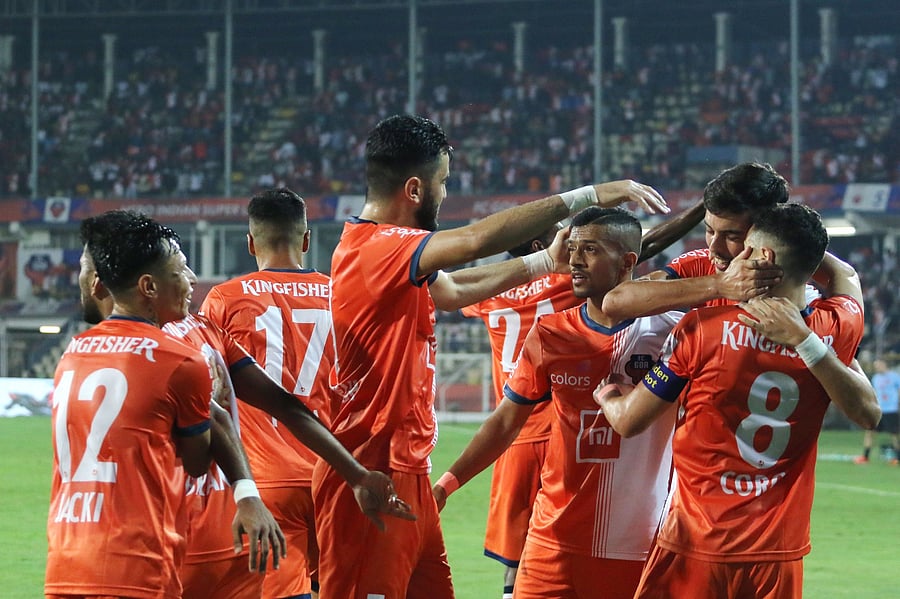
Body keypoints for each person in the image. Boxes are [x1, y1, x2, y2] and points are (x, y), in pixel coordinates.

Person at [316, 113, 670, 599]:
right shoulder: (375, 246)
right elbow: (478, 241)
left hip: (409, 468)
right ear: (416, 189)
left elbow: (455, 289)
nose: (445, 195)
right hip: (372, 466)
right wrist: (588, 195)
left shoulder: (394, 259)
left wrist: (545, 262)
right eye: (442, 183)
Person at [78, 209, 414, 599]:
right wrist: (354, 474)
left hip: (185, 539)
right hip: (248, 523)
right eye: (182, 270)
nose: (191, 281)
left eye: (87, 269)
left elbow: (203, 445)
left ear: (105, 282)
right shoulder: (203, 328)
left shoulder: (144, 352)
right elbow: (284, 404)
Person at [597, 203, 880, 599]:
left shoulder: (702, 330)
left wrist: (608, 393)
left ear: (762, 257)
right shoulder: (837, 326)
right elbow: (845, 275)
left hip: (695, 542)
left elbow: (629, 420)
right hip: (776, 554)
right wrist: (796, 241)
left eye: (745, 244)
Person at [435, 207, 683, 599]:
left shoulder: (674, 334)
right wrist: (446, 486)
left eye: (590, 249)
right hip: (552, 541)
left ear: (628, 262)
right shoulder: (551, 333)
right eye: (573, 248)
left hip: (641, 544)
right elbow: (504, 423)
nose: (575, 259)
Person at [46, 214, 217, 598]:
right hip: (137, 564)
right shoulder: (180, 360)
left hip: (67, 559)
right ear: (149, 287)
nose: (190, 282)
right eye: (179, 272)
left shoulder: (72, 353)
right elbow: (197, 462)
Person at [198, 188, 334, 599]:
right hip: (334, 472)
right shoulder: (341, 296)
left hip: (267, 480)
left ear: (250, 242)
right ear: (307, 240)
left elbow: (211, 387)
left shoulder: (224, 299)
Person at [602, 161, 789, 319]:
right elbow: (615, 301)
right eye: (709, 231)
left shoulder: (794, 277)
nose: (714, 248)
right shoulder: (700, 265)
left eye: (732, 236)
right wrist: (719, 285)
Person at [853, 358, 900, 464]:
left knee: (894, 434)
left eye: (878, 365)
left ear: (884, 364)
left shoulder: (894, 377)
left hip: (891, 409)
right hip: (879, 409)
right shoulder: (876, 378)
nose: (877, 367)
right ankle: (865, 456)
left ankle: (897, 458)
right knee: (870, 432)